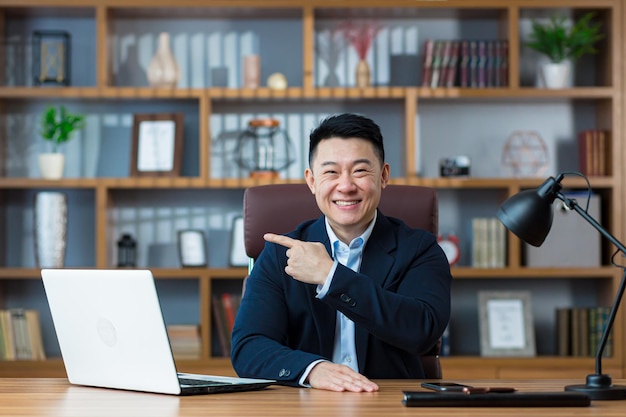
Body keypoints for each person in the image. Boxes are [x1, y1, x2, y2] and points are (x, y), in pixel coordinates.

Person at [231, 113, 452, 392]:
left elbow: (422, 330)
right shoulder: (281, 253)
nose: (346, 186)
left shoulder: (419, 249)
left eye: (360, 171)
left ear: (383, 176)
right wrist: (312, 370)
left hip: (390, 403)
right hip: (304, 406)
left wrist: (330, 276)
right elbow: (249, 348)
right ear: (311, 181)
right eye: (331, 172)